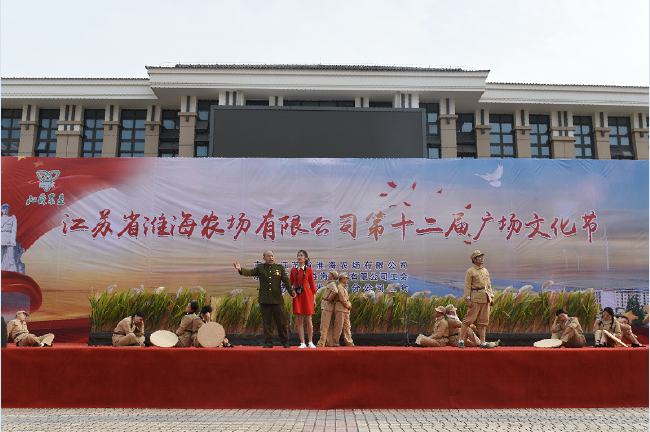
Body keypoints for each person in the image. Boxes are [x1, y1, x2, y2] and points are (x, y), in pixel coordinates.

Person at [233, 250, 295, 348]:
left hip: (277, 300)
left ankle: (285, 341)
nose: (271, 258)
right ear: (264, 258)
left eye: (272, 256)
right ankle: (268, 342)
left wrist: (291, 291)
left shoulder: (279, 268)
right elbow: (250, 272)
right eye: (268, 256)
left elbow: (286, 280)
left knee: (281, 322)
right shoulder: (260, 267)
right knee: (266, 323)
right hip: (264, 300)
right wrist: (240, 269)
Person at [458, 251, 494, 348]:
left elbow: (489, 285)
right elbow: (467, 286)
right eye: (479, 257)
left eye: (482, 257)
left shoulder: (485, 270)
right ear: (474, 259)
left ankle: (483, 342)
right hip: (475, 298)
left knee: (483, 321)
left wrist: (491, 296)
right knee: (468, 320)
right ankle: (461, 340)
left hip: (486, 298)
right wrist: (467, 299)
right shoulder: (470, 271)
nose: (482, 258)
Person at [290, 250, 317, 348]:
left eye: (301, 255)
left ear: (305, 258)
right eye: (298, 255)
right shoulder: (293, 270)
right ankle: (302, 342)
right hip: (297, 296)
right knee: (300, 321)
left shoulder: (309, 270)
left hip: (307, 296)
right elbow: (290, 283)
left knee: (309, 320)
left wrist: (314, 299)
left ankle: (310, 341)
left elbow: (313, 286)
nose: (299, 257)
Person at [316, 270, 339, 347]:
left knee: (324, 325)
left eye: (329, 274)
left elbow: (335, 291)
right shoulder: (331, 283)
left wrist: (330, 297)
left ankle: (321, 342)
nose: (328, 275)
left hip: (327, 306)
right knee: (329, 326)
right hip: (328, 306)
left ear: (332, 276)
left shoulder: (332, 284)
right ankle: (330, 342)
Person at [332, 273, 354, 347]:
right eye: (346, 279)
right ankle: (335, 342)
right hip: (340, 308)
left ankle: (349, 342)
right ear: (343, 279)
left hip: (345, 309)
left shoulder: (344, 287)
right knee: (339, 326)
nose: (347, 280)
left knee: (347, 326)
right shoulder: (340, 287)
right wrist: (348, 305)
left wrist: (349, 305)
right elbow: (342, 298)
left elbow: (346, 299)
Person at [1, 203, 18, 272]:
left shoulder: (12, 219)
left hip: (8, 237)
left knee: (11, 256)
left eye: (6, 208)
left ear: (8, 209)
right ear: (1, 210)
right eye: (3, 208)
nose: (5, 210)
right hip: (1, 237)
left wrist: (13, 240)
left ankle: (12, 269)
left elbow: (14, 230)